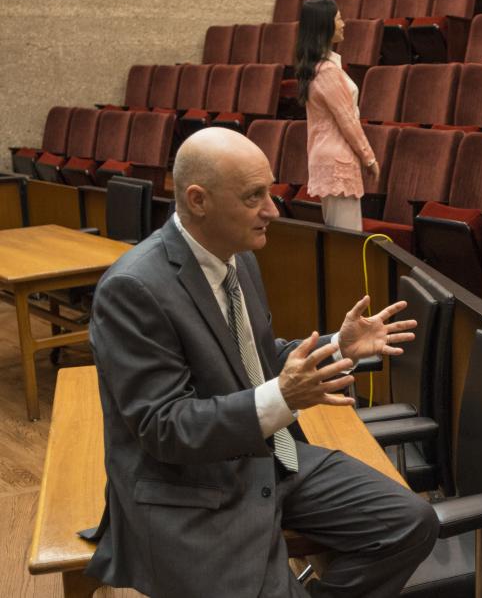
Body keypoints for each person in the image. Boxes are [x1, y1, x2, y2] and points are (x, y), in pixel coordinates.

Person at [84, 127, 438, 598]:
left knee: (410, 522)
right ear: (198, 200)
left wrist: (336, 348)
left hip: (269, 459)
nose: (273, 210)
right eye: (254, 197)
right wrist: (283, 397)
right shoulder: (133, 289)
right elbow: (163, 426)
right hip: (191, 488)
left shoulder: (238, 256)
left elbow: (254, 360)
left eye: (269, 192)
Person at [296, 0, 378, 231]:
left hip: (329, 158)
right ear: (325, 26)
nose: (343, 24)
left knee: (342, 236)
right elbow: (348, 121)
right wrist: (369, 158)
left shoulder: (318, 67)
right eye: (338, 18)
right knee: (347, 238)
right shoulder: (327, 71)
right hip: (337, 161)